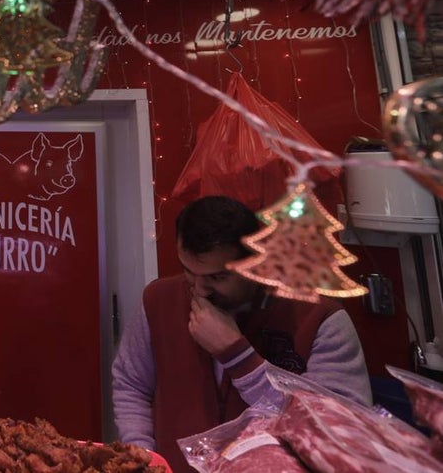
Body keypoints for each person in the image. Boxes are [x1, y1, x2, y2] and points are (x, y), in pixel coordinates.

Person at [112, 195, 371, 472]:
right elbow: (132, 385)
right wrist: (144, 457)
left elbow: (345, 431)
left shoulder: (319, 319)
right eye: (189, 271)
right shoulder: (157, 300)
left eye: (217, 277)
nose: (199, 290)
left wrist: (239, 357)